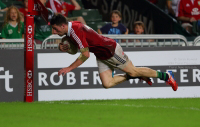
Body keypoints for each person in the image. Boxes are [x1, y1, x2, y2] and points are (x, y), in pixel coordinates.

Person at [50, 13, 178, 91]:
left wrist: (69, 68)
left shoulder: (75, 30)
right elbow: (74, 49)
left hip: (111, 50)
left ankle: (166, 76)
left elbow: (85, 54)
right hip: (101, 55)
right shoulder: (71, 27)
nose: (54, 33)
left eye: (55, 29)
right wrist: (64, 47)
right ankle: (132, 76)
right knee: (107, 83)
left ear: (63, 26)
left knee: (134, 71)